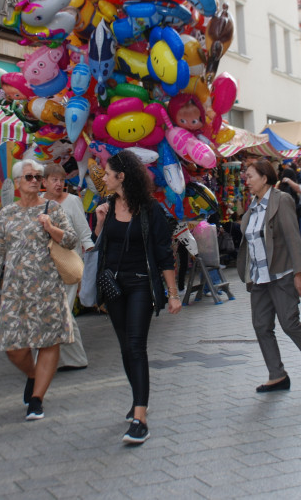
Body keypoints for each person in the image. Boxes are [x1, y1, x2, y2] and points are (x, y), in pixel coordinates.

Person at [93, 150, 181, 445]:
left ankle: (140, 418)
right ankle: (137, 399)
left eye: (107, 173)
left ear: (122, 177)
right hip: (113, 286)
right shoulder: (105, 205)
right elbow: (99, 248)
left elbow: (163, 253)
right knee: (124, 348)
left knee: (135, 345)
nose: (103, 178)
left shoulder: (150, 209)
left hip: (141, 283)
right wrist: (99, 225)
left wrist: (173, 295)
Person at [0, 160, 77, 422]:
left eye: (39, 177)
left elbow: (70, 240)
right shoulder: (7, 214)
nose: (35, 181)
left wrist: (51, 228)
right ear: (17, 183)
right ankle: (33, 374)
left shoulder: (53, 209)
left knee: (49, 341)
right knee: (14, 347)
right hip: (15, 290)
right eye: (29, 177)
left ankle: (36, 399)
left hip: (47, 287)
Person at [236, 159, 301, 394]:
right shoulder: (253, 205)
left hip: (281, 274)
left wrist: (299, 274)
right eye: (245, 177)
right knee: (261, 325)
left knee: (289, 322)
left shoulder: (282, 200)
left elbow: (292, 238)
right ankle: (277, 375)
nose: (246, 181)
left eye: (250, 176)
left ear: (264, 178)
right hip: (259, 276)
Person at [43, 164, 94, 371]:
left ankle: (50, 361)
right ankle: (74, 358)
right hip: (47, 267)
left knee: (62, 311)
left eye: (61, 180)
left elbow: (84, 233)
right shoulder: (40, 205)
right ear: (44, 182)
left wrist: (89, 266)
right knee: (57, 313)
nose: (58, 184)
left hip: (70, 265)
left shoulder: (73, 201)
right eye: (54, 180)